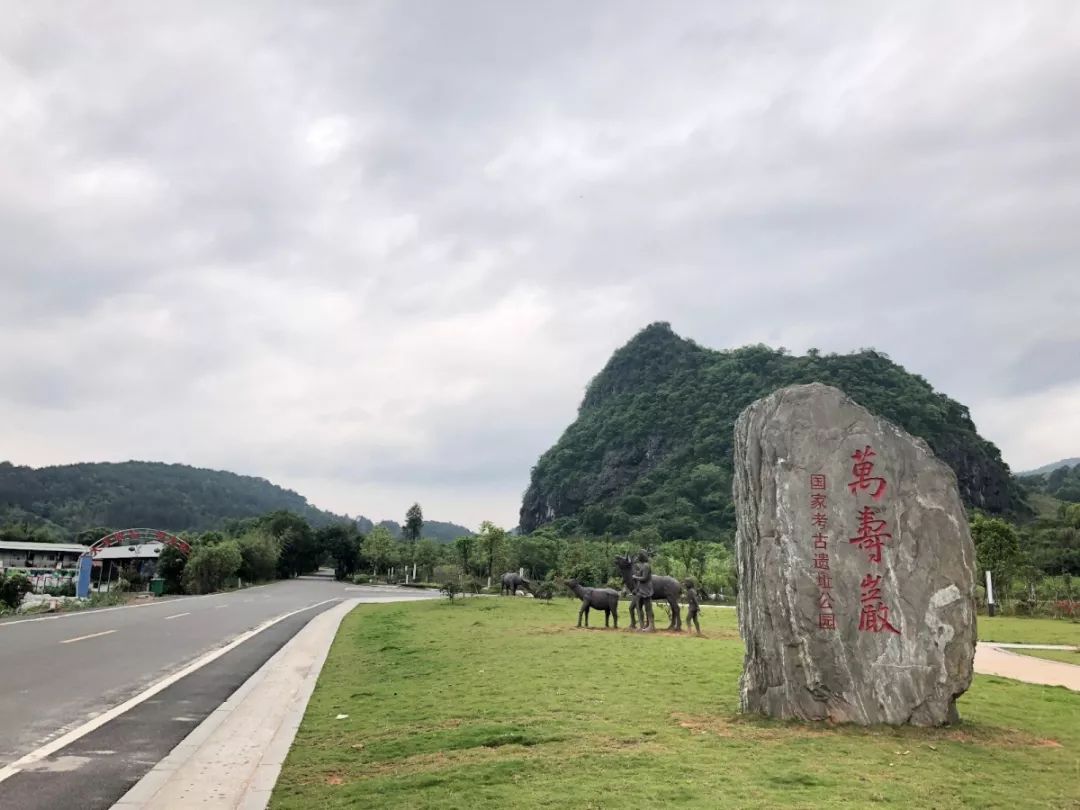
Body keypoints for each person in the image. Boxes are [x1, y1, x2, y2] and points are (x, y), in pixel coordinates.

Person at [632, 549, 655, 632]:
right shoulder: (642, 566)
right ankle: (641, 626)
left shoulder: (646, 566)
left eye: (639, 555)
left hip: (646, 589)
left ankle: (651, 626)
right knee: (639, 607)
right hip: (641, 589)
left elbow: (644, 578)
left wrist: (635, 577)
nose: (638, 556)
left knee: (648, 608)